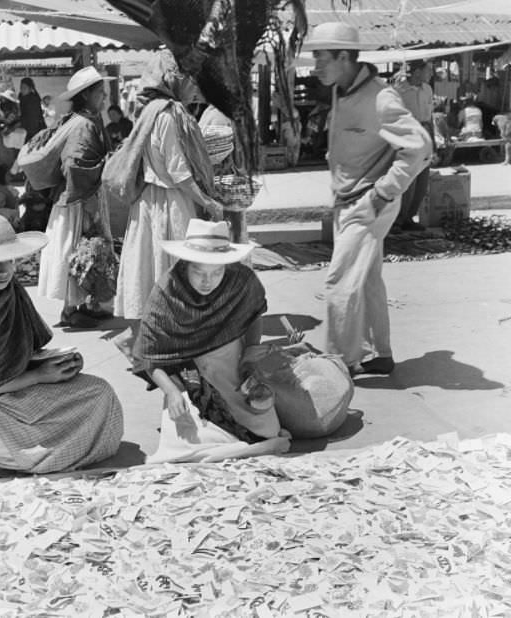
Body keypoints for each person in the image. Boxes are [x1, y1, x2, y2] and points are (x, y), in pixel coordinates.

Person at [0, 214, 123, 475]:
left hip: (8, 387)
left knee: (99, 392)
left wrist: (55, 363)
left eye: (9, 259)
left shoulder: (7, 289)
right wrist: (40, 375)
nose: (4, 270)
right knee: (68, 417)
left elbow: (16, 352)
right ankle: (3, 455)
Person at [304, 22, 432, 375]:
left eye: (320, 57)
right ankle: (381, 353)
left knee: (339, 282)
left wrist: (384, 191)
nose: (314, 65)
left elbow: (420, 147)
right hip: (348, 198)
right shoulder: (341, 89)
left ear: (344, 57)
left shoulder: (381, 97)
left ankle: (337, 366)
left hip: (368, 202)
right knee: (368, 279)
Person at [133, 219, 290, 463]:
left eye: (217, 272)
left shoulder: (242, 279)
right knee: (189, 440)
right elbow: (148, 358)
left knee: (267, 430)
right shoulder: (167, 292)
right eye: (199, 272)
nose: (208, 281)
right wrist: (172, 392)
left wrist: (250, 351)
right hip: (187, 370)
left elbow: (254, 314)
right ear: (186, 265)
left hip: (230, 363)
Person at [110, 50, 222, 350]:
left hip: (149, 202)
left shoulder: (148, 110)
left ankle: (146, 343)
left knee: (149, 272)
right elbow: (179, 173)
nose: (194, 86)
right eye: (189, 79)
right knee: (174, 272)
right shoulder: (169, 114)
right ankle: (163, 345)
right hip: (170, 204)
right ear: (173, 78)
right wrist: (208, 203)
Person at [38, 66, 113, 328]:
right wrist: (88, 201)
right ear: (87, 95)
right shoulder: (83, 125)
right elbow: (74, 164)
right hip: (78, 199)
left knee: (83, 252)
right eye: (101, 94)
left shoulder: (81, 120)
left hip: (77, 196)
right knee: (79, 251)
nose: (105, 98)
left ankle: (81, 306)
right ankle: (71, 310)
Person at [393, 60, 435, 232]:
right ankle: (397, 220)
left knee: (421, 183)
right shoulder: (398, 91)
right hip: (407, 137)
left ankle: (409, 218)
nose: (431, 74)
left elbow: (430, 117)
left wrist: (433, 142)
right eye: (428, 70)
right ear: (417, 71)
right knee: (406, 183)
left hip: (424, 136)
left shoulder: (428, 90)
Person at [19, 77, 46, 143]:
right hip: (30, 130)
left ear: (30, 88)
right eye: (21, 87)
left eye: (24, 88)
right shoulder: (23, 98)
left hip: (36, 130)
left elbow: (33, 119)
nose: (22, 90)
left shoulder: (33, 100)